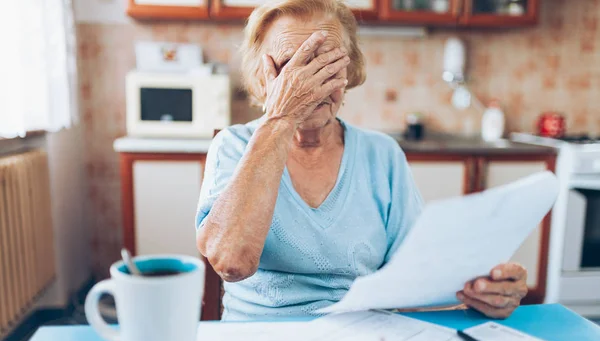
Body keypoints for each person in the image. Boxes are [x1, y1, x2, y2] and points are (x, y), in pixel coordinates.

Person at [195, 0, 528, 321]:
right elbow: (231, 261)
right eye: (291, 67)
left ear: (349, 71)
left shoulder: (381, 154)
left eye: (326, 65)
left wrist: (479, 292)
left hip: (363, 340)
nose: (309, 84)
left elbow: (415, 276)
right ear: (262, 76)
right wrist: (282, 117)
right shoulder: (234, 146)